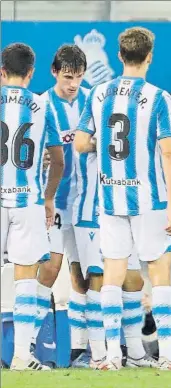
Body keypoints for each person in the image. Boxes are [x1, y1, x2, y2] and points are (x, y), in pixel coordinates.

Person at [74, 26, 171, 371]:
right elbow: (168, 154)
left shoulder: (98, 93)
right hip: (149, 199)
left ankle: (111, 356)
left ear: (119, 56)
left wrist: (104, 151)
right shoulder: (159, 97)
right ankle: (165, 355)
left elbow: (79, 143)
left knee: (113, 273)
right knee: (160, 272)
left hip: (110, 197)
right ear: (149, 57)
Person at [0, 43, 64, 370]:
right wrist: (49, 197)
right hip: (28, 200)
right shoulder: (43, 105)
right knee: (25, 277)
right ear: (31, 73)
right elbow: (59, 160)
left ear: (1, 71)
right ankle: (21, 356)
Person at [29, 44, 92, 368]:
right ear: (54, 72)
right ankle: (28, 343)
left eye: (79, 77)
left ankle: (80, 350)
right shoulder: (40, 104)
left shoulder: (91, 100)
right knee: (50, 269)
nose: (73, 84)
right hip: (53, 203)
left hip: (85, 204)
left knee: (82, 276)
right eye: (68, 76)